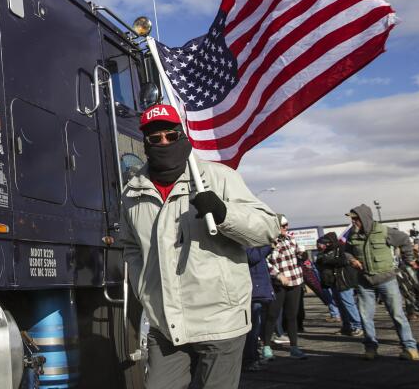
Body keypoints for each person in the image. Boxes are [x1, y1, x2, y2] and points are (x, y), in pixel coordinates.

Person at [119, 103, 280, 389]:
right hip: (165, 324)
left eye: (171, 135)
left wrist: (225, 214)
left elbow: (266, 229)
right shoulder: (132, 192)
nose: (163, 143)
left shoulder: (218, 178)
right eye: (155, 139)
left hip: (219, 320)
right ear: (145, 143)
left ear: (183, 135)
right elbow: (131, 246)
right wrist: (145, 289)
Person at [344, 204, 419, 360]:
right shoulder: (352, 234)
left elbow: (405, 240)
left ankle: (410, 348)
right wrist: (352, 260)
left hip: (387, 279)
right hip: (365, 281)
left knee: (398, 315)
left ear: (364, 218)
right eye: (352, 219)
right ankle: (370, 348)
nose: (353, 222)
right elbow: (347, 251)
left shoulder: (384, 231)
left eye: (356, 219)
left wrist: (408, 260)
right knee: (365, 317)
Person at [263, 215, 307, 360]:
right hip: (279, 283)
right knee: (272, 315)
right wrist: (278, 275)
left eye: (287, 224)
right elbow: (264, 263)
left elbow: (300, 255)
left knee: (292, 316)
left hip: (295, 281)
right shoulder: (268, 242)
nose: (286, 227)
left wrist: (303, 254)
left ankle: (294, 347)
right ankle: (266, 347)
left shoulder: (291, 239)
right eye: (283, 225)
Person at [315, 233, 363, 336]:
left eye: (327, 242)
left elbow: (343, 261)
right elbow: (319, 264)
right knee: (340, 305)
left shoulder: (341, 249)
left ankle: (357, 326)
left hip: (343, 281)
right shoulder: (324, 252)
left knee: (348, 303)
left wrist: (327, 260)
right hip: (333, 282)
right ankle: (346, 326)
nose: (325, 245)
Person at [242, 246, 274, 372]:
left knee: (256, 328)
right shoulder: (246, 242)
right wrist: (268, 245)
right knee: (252, 330)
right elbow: (252, 256)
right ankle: (250, 360)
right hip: (253, 291)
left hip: (258, 291)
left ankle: (254, 356)